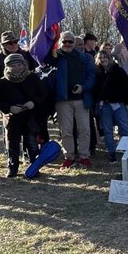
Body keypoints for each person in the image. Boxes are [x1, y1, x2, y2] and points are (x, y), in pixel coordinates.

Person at [44, 31, 96, 169]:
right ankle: (69, 157)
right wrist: (51, 37)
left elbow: (92, 76)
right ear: (60, 42)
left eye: (70, 42)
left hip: (81, 99)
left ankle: (84, 156)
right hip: (62, 100)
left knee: (84, 129)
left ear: (75, 43)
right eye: (64, 41)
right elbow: (44, 56)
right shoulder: (55, 57)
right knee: (66, 130)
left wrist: (83, 87)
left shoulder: (84, 58)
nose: (67, 44)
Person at [0, 54, 47, 177]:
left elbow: (43, 94)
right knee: (13, 143)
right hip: (13, 117)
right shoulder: (3, 81)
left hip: (30, 115)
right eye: (13, 65)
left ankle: (33, 166)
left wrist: (33, 103)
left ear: (24, 65)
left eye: (19, 64)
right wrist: (9, 108)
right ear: (7, 67)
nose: (17, 67)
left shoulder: (32, 77)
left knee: (31, 142)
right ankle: (12, 167)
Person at [93, 50, 128, 163]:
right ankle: (112, 153)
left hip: (118, 104)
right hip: (104, 105)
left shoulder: (118, 70)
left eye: (105, 57)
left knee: (125, 127)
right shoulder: (97, 73)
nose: (103, 59)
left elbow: (127, 86)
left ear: (109, 58)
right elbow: (95, 90)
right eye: (100, 57)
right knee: (107, 130)